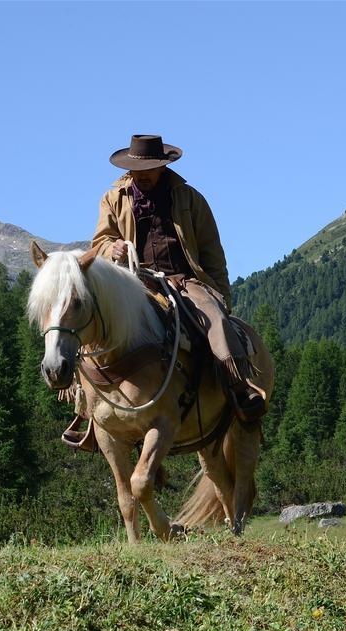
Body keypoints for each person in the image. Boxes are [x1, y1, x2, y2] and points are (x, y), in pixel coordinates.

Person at [91, 134, 265, 422]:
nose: (141, 175)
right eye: (136, 170)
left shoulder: (190, 199)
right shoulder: (113, 199)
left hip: (185, 281)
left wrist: (222, 299)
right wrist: (113, 247)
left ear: (163, 167)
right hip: (135, 280)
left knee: (216, 321)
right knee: (91, 323)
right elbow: (99, 243)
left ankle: (238, 386)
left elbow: (212, 254)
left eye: (148, 169)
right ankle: (85, 410)